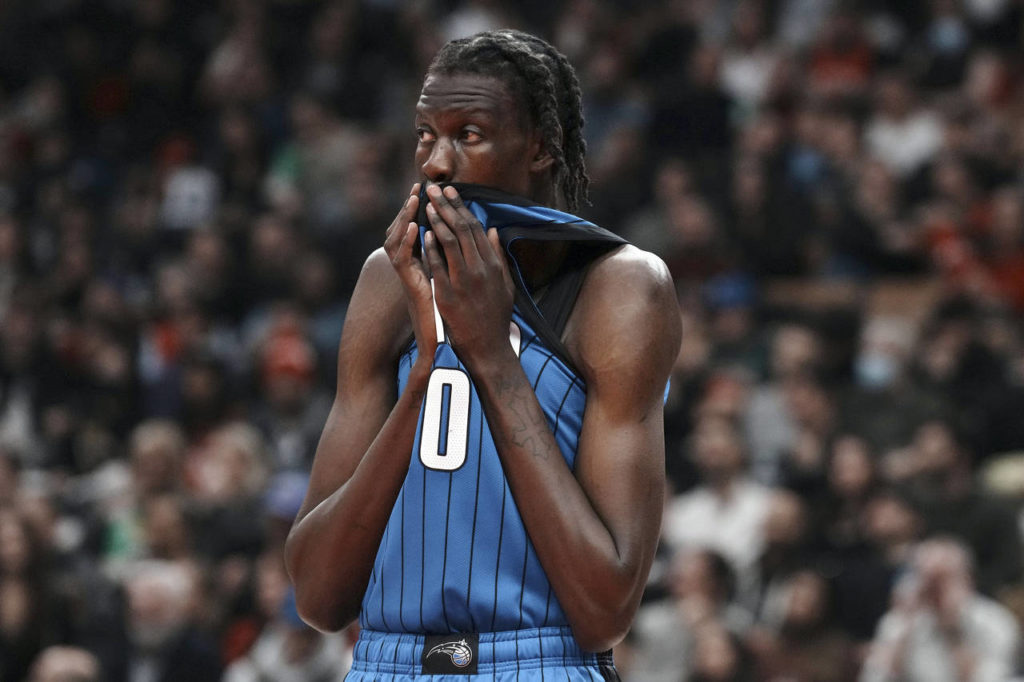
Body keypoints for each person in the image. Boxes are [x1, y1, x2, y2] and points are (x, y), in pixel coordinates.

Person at [284, 28, 680, 681]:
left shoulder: (620, 288)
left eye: (469, 135)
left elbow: (605, 607)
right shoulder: (388, 280)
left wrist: (492, 356)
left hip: (536, 659)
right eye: (425, 135)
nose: (436, 164)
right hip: (382, 660)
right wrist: (423, 374)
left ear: (542, 149)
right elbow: (319, 598)